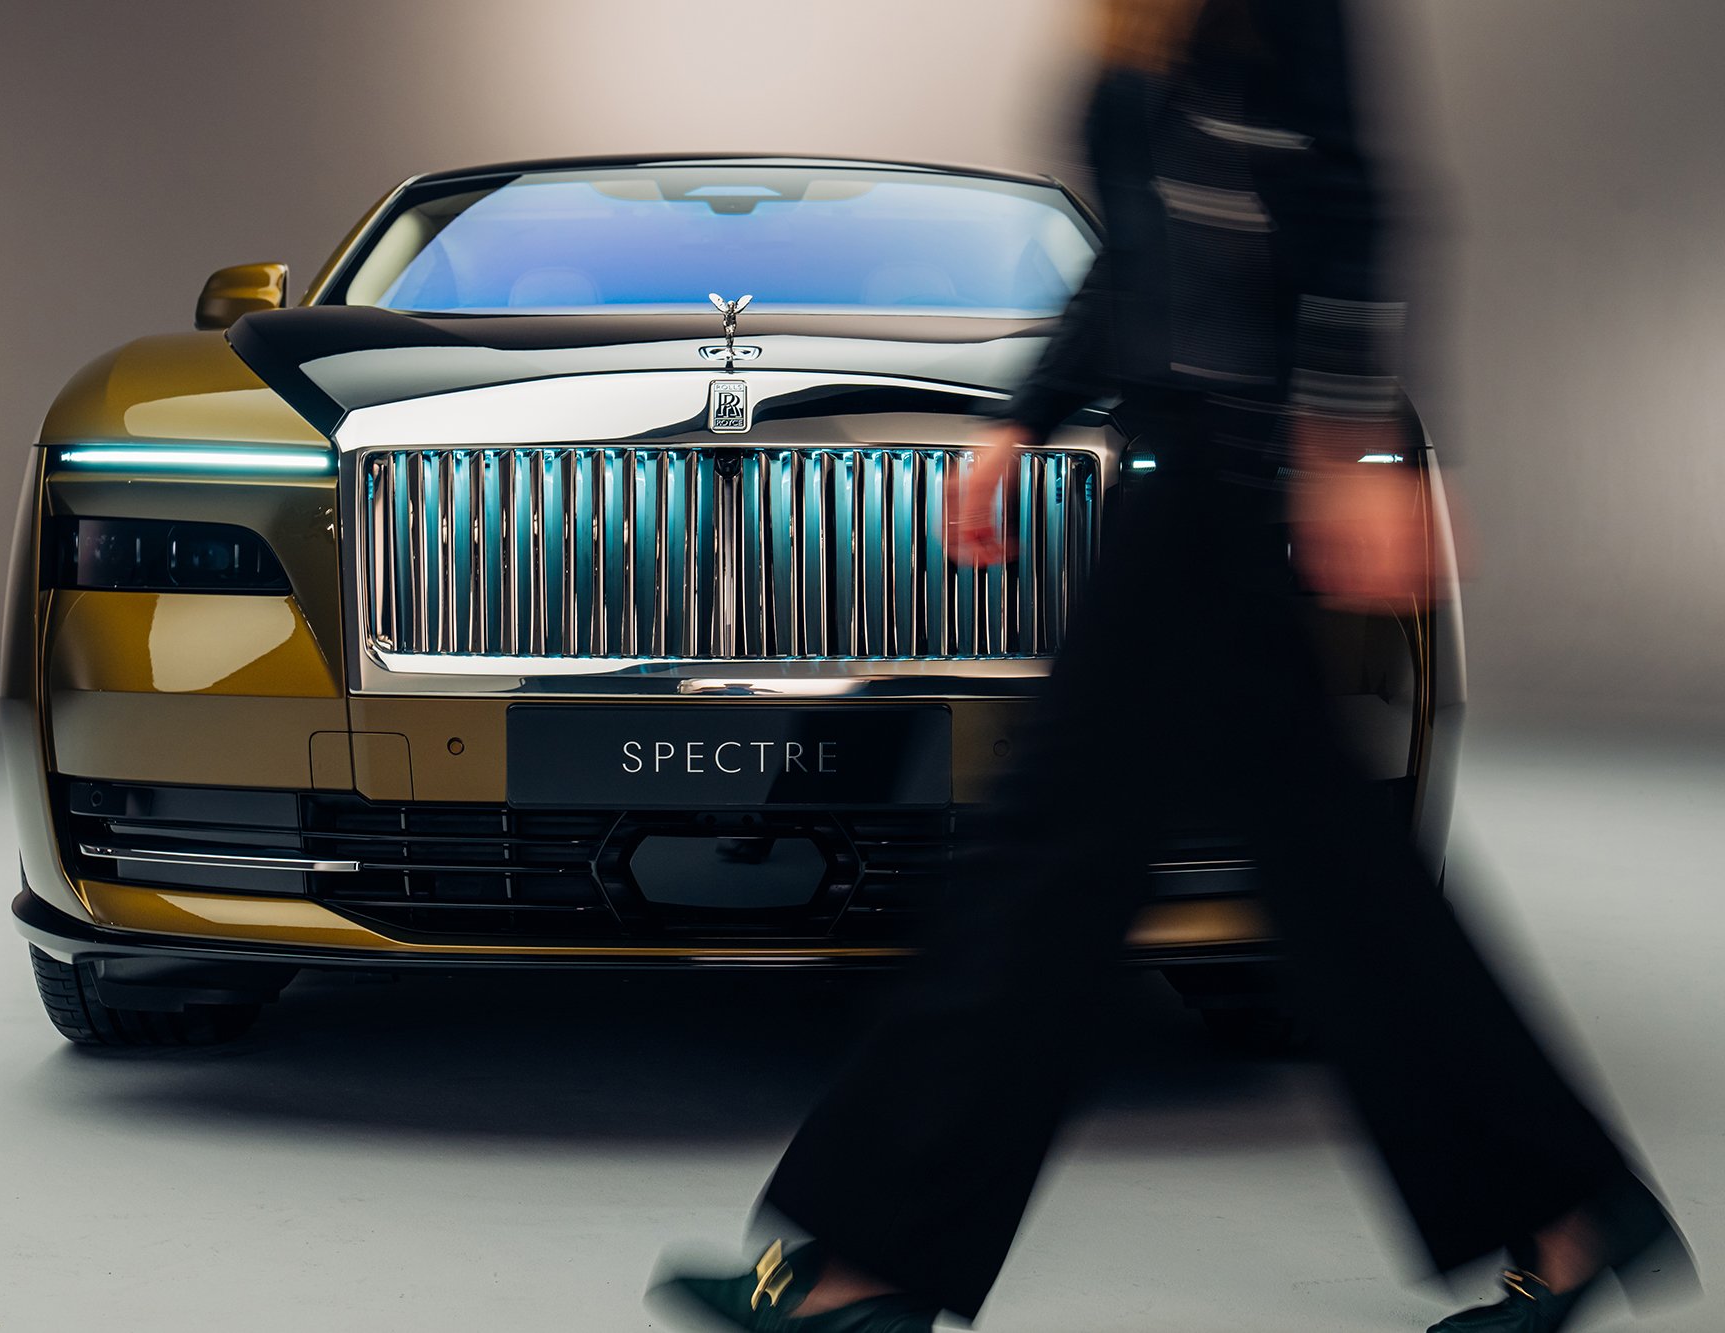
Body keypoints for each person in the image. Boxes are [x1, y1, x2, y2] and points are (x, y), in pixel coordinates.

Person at [648, 1, 1696, 1330]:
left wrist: (1347, 437)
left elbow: (1351, 197)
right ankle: (1566, 1206)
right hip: (1177, 452)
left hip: (1226, 471)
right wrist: (1021, 420)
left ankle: (866, 1266)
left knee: (1055, 856)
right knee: (1325, 866)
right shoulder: (1135, 25)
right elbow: (1141, 258)